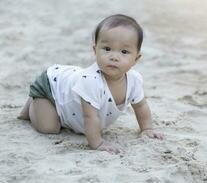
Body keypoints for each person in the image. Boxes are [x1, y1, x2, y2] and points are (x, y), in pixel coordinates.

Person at [18, 14, 164, 154]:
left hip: (67, 95)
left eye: (124, 52)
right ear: (95, 50)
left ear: (136, 58)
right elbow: (90, 117)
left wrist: (146, 129)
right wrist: (98, 143)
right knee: (49, 127)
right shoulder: (91, 81)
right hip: (52, 87)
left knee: (57, 121)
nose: (114, 57)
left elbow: (141, 106)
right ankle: (35, 100)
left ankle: (39, 105)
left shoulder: (134, 80)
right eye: (107, 49)